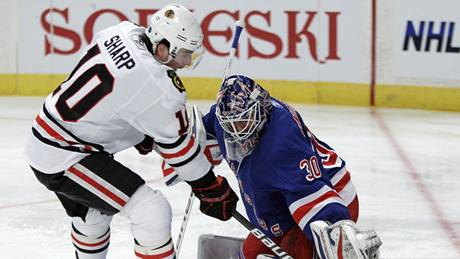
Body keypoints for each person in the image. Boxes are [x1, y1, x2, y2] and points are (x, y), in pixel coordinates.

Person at [23, 4, 238, 259]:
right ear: (162, 48)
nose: (188, 61)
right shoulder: (159, 87)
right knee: (151, 212)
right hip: (66, 156)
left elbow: (116, 96)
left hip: (53, 137)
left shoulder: (120, 31)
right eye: (185, 54)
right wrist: (209, 187)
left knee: (93, 217)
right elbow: (181, 152)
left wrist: (140, 132)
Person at [198, 75, 382, 258]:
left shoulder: (281, 143)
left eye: (243, 121)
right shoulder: (227, 118)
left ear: (261, 108)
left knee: (300, 251)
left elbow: (313, 198)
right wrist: (201, 178)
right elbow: (200, 138)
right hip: (282, 200)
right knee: (249, 255)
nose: (237, 131)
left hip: (329, 196)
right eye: (230, 124)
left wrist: (337, 238)